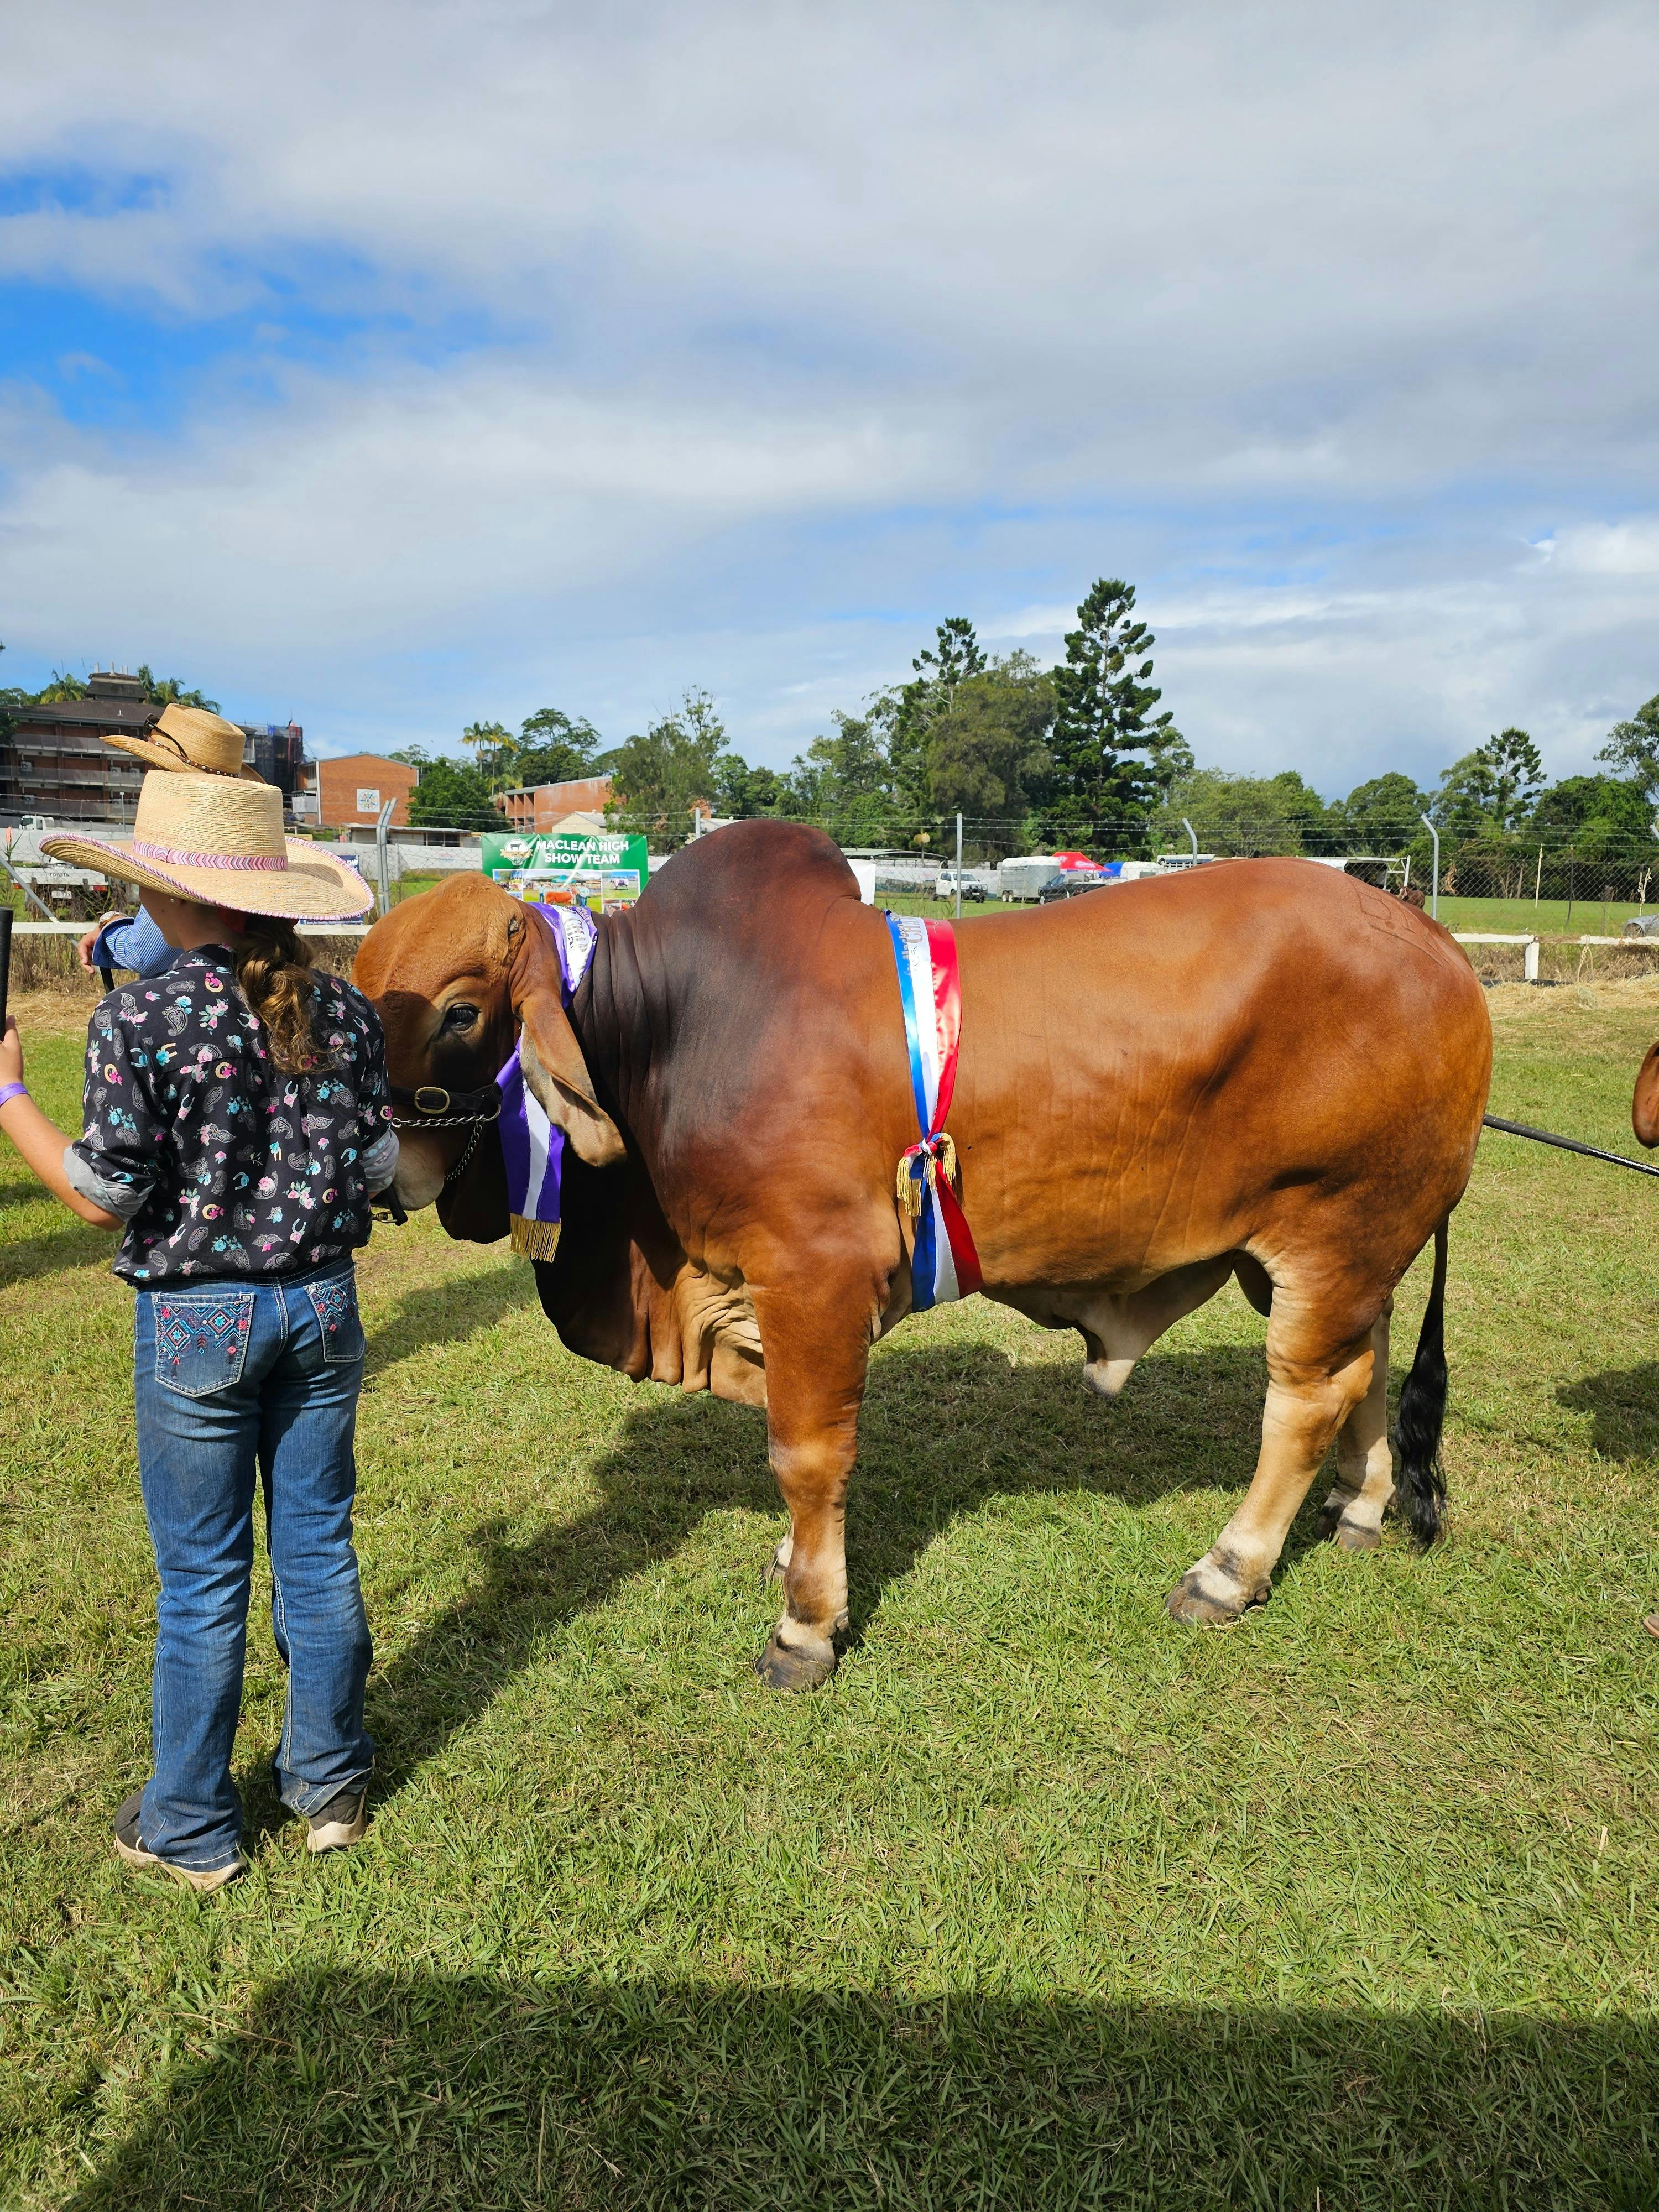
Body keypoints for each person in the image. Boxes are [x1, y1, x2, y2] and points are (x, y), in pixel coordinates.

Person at [0, 769, 395, 1892]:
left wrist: (8, 1098)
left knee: (205, 1578)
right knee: (318, 1549)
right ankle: (329, 1784)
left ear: (170, 897)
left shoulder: (143, 1013)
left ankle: (191, 1822)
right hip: (325, 1305)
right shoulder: (345, 1011)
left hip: (199, 1323)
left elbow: (99, 1193)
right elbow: (375, 1162)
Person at [77, 702, 272, 984]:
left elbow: (145, 953)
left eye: (153, 767)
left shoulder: (184, 850)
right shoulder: (246, 843)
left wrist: (110, 926)